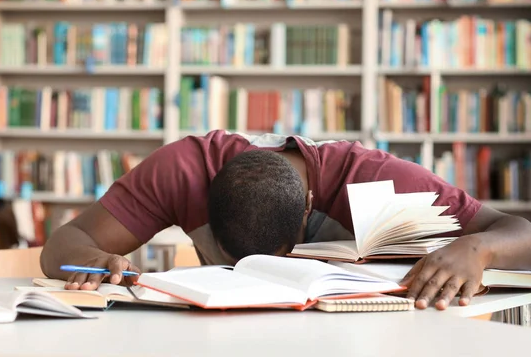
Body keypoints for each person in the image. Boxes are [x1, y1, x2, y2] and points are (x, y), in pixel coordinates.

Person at [40, 130, 531, 310]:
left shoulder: (376, 184)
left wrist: (477, 249)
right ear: (202, 200)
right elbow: (64, 243)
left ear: (307, 209)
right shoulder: (182, 172)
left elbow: (520, 233)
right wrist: (90, 258)